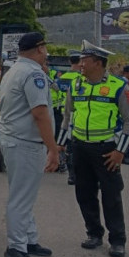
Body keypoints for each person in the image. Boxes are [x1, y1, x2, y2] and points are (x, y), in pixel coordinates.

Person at [57, 41, 129, 257]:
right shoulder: (76, 85)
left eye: (85, 60)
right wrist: (60, 145)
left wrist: (120, 152)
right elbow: (67, 117)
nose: (80, 64)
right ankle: (93, 233)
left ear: (98, 63)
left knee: (111, 196)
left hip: (106, 149)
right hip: (80, 147)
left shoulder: (119, 86)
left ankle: (117, 240)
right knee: (84, 193)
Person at [0, 32, 58, 257]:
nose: (47, 53)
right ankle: (16, 246)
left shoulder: (14, 70)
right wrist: (53, 149)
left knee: (24, 194)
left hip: (13, 139)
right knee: (21, 198)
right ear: (40, 49)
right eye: (46, 48)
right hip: (25, 143)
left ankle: (28, 239)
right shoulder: (33, 74)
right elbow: (39, 113)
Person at [57, 52, 83, 184]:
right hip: (75, 114)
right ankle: (73, 172)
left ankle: (63, 166)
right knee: (73, 144)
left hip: (61, 112)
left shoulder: (62, 77)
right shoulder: (80, 79)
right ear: (79, 63)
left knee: (63, 141)